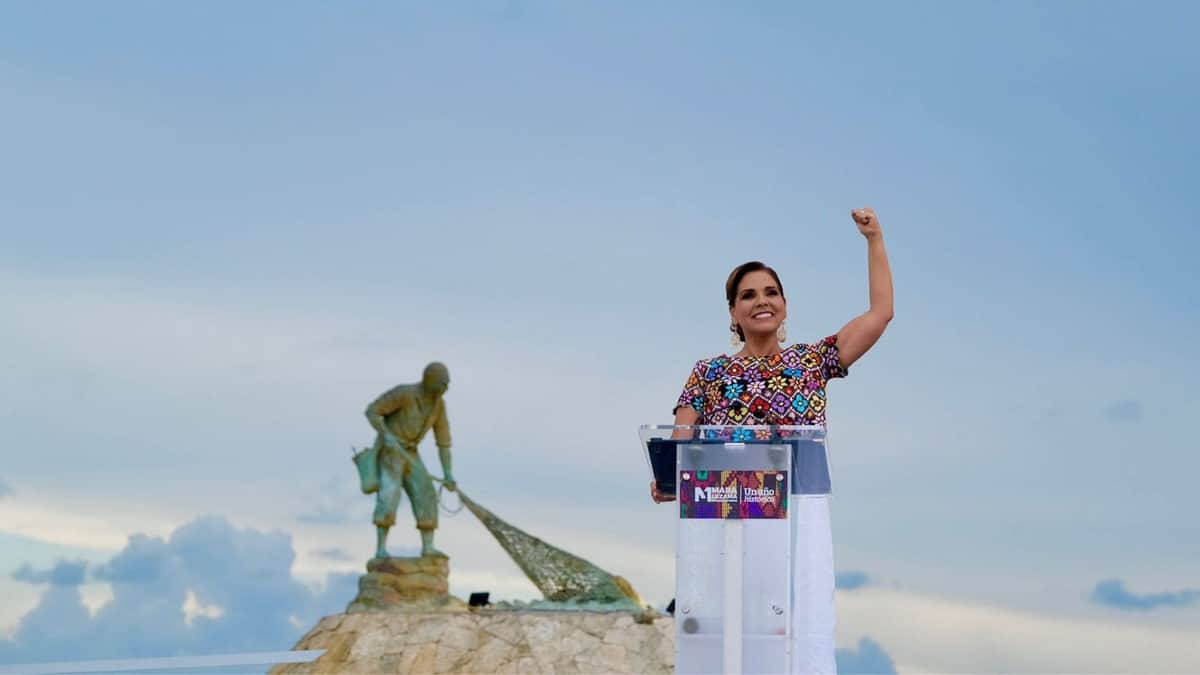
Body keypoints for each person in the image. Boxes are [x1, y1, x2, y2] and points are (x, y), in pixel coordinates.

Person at [652, 207, 893, 675]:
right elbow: (680, 445)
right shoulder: (709, 372)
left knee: (797, 625)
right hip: (723, 516)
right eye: (748, 295)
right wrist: (668, 478)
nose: (761, 300)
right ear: (732, 312)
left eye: (771, 291)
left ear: (784, 303)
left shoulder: (812, 361)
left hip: (797, 514)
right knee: (732, 633)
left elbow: (881, 314)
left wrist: (874, 240)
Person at [363, 361, 458, 559]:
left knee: (426, 492)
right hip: (390, 450)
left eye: (446, 385)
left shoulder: (438, 405)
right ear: (429, 381)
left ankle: (428, 547)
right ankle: (381, 549)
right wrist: (385, 434)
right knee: (389, 495)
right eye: (441, 384)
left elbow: (443, 442)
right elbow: (372, 411)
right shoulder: (404, 394)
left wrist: (448, 473)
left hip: (411, 452)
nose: (444, 389)